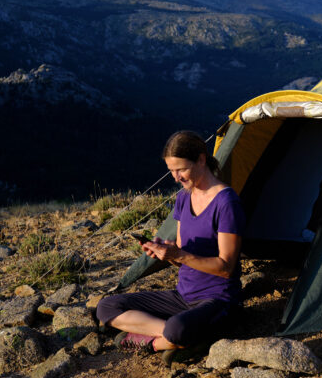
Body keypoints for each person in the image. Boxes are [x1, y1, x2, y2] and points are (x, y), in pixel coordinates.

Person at [96, 130, 246, 363]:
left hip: (218, 299)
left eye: (181, 169)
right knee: (106, 306)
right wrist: (166, 253)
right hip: (182, 296)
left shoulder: (226, 202)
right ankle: (178, 337)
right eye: (171, 171)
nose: (176, 177)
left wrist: (181, 255)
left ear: (201, 159)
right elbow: (181, 253)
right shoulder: (183, 198)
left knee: (177, 327)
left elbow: (225, 267)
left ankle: (155, 340)